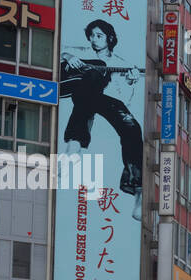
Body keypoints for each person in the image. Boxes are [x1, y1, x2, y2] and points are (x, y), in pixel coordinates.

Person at [60, 19, 144, 218]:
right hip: (81, 92)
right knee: (90, 82)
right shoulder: (81, 52)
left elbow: (125, 99)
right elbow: (55, 49)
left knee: (132, 128)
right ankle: (75, 142)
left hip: (107, 100)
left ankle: (137, 188)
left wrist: (131, 81)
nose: (94, 40)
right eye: (92, 36)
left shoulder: (121, 64)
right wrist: (68, 55)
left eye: (99, 36)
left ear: (109, 38)